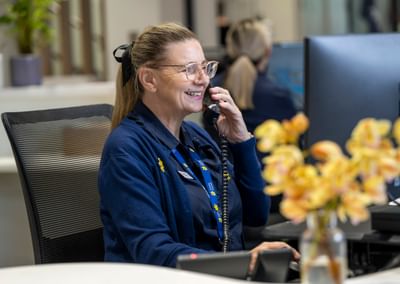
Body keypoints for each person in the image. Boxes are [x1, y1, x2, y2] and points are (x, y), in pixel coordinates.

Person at [98, 22, 299, 270]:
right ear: (149, 79)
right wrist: (242, 262)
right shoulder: (126, 148)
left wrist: (241, 140)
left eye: (205, 67)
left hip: (223, 275)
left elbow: (256, 214)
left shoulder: (195, 136)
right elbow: (153, 251)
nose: (203, 79)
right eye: (189, 69)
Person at [204, 18, 297, 217]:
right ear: (267, 52)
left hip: (225, 201)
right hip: (272, 203)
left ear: (230, 48)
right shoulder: (279, 96)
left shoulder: (212, 92)